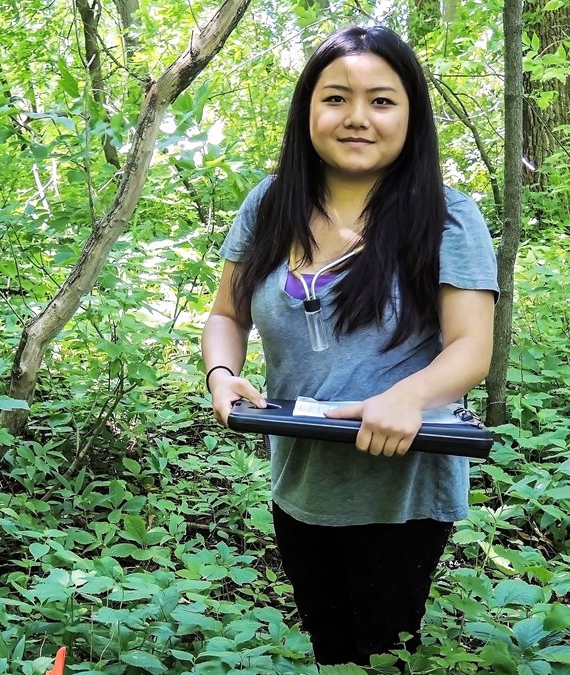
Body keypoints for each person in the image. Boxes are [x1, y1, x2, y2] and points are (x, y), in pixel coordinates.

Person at [199, 25, 499, 667]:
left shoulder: (447, 216)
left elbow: (471, 348)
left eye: (382, 100)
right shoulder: (269, 205)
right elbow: (227, 314)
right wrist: (224, 375)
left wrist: (407, 396)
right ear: (308, 110)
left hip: (401, 490)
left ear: (411, 114)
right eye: (336, 98)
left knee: (386, 648)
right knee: (330, 646)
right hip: (301, 479)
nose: (357, 117)